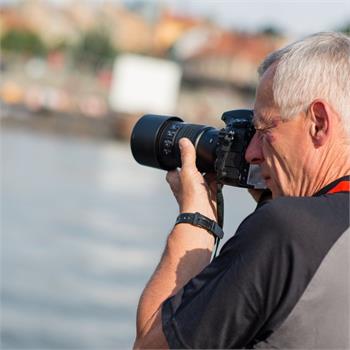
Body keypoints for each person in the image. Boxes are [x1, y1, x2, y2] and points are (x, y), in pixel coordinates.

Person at [133, 32, 350, 349]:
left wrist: (198, 221)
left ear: (318, 122)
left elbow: (150, 345)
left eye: (264, 130)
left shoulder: (287, 231)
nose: (250, 153)